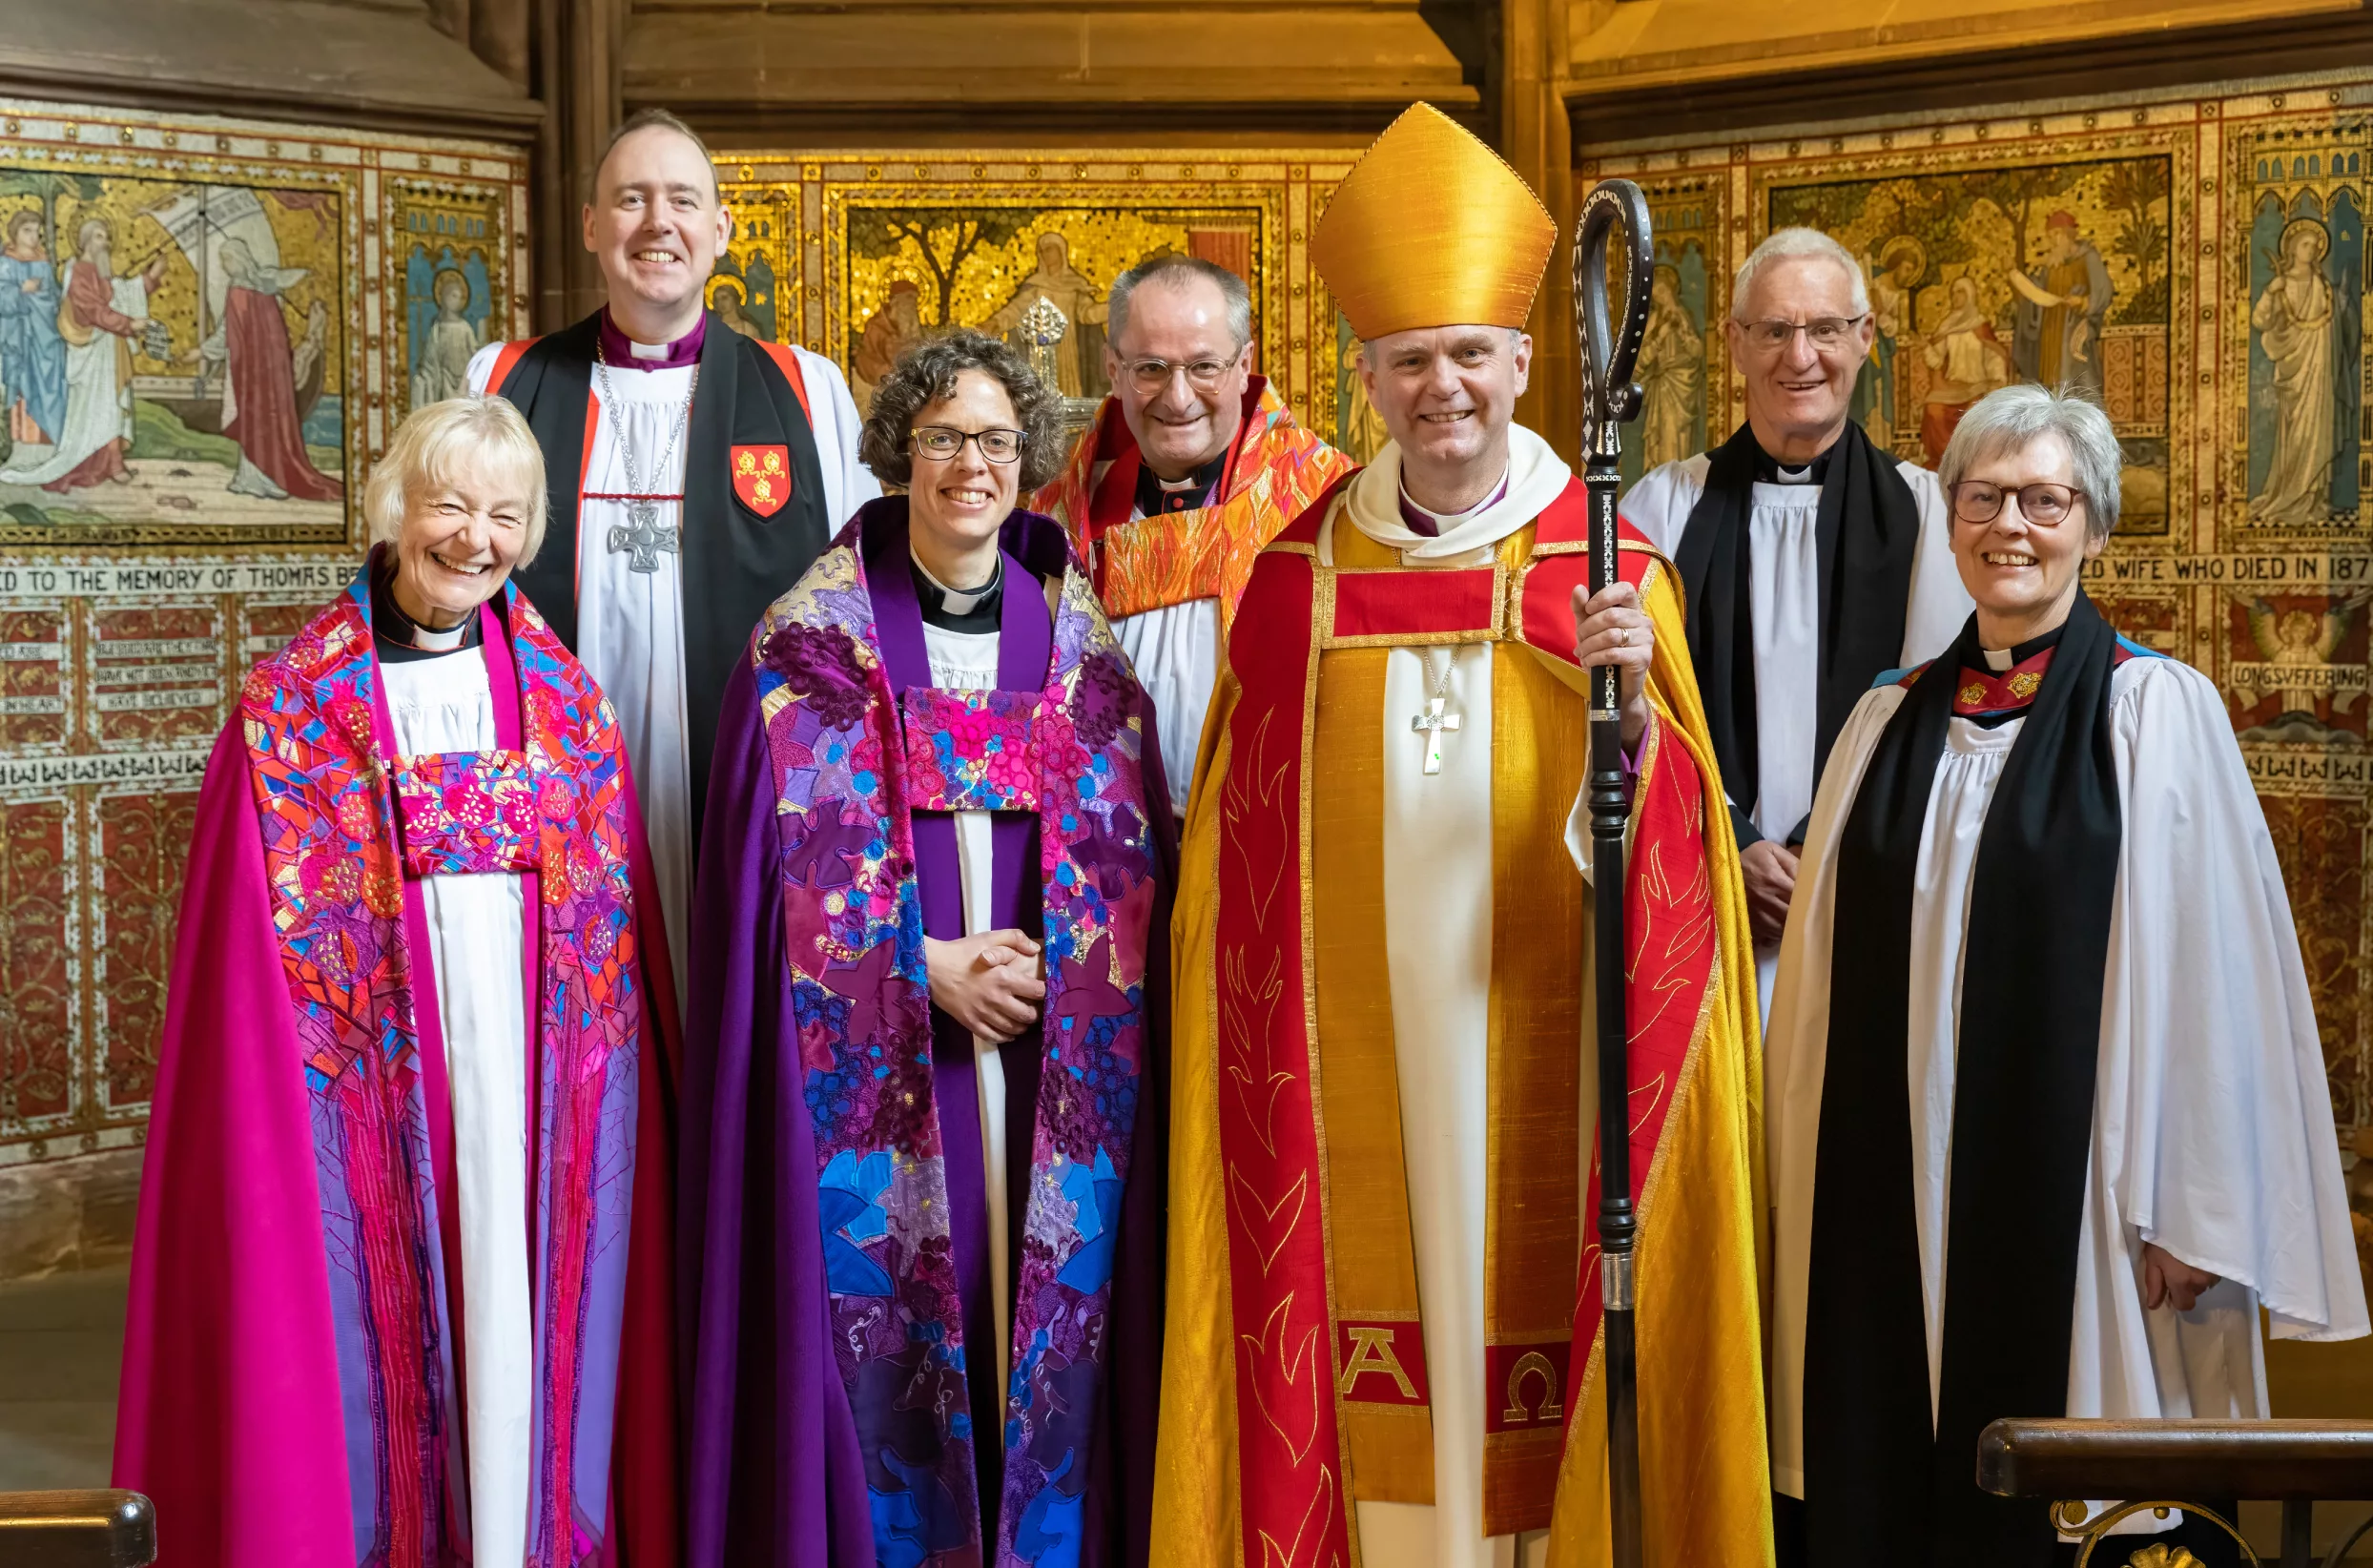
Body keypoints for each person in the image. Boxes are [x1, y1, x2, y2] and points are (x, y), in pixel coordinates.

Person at [1155, 103, 1768, 1568]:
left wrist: (1628, 732)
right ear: (1366, 375)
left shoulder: (1609, 570)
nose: (1445, 388)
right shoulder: (1296, 586)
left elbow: (1683, 888)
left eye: (1471, 356)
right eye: (1411, 359)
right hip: (1351, 1051)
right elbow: (1231, 876)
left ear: (1521, 365)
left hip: (1545, 1042)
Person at [1765, 384, 2368, 1568]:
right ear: (1949, 525)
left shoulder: (2153, 711)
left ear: (2093, 527)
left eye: (2045, 500)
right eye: (1983, 499)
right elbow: (1814, 1008)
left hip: (2090, 1198)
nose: (2011, 527)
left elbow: (2216, 981)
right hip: (1884, 1195)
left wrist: (2197, 1207)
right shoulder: (1883, 725)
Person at [113, 395, 681, 1568]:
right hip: (370, 1089)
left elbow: (607, 933)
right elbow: (241, 970)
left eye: (504, 516)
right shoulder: (295, 711)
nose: (474, 539)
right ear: (394, 510)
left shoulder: (570, 709)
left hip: (528, 1088)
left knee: (524, 1323)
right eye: (450, 506)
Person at [680, 331, 1175, 1568]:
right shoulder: (807, 651)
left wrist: (1057, 974)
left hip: (1048, 1056)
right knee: (912, 1319)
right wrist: (920, 968)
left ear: (1028, 461)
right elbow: (764, 893)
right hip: (901, 1074)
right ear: (901, 450)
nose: (973, 465)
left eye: (998, 441)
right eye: (945, 437)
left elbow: (1129, 873)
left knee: (1037, 1328)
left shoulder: (1079, 649)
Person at [472, 107, 878, 995]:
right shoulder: (506, 382)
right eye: (631, 199)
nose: (659, 223)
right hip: (558, 781)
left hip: (750, 787)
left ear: (721, 230)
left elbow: (865, 613)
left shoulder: (805, 390)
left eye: (683, 200)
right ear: (591, 226)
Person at [1620, 225, 1971, 1021]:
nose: (1800, 356)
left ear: (1865, 339)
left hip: (1866, 905)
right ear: (1736, 344)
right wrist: (1733, 845)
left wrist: (1816, 854)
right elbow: (1646, 715)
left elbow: (1931, 717)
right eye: (1774, 330)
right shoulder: (1664, 508)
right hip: (1704, 904)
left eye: (1824, 329)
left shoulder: (1924, 514)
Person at [1033, 254, 1353, 815]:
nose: (1178, 399)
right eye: (1151, 368)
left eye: (1204, 366)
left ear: (1244, 362)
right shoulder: (1059, 509)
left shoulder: (1325, 500)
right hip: (1103, 842)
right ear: (1113, 368)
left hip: (1264, 830)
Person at [0, 217, 164, 491]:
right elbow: (90, 308)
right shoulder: (78, 271)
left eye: (106, 237)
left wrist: (151, 278)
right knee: (96, 409)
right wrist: (128, 324)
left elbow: (118, 294)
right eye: (99, 236)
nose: (106, 243)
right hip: (86, 352)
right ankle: (88, 464)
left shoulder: (99, 272)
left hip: (105, 349)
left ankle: (113, 463)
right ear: (86, 241)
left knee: (112, 404)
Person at [202, 236, 343, 502]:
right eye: (222, 260)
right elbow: (227, 331)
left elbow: (289, 278)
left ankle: (270, 478)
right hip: (248, 368)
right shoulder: (239, 290)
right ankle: (249, 478)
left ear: (240, 259)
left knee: (269, 419)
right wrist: (204, 350)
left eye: (227, 259)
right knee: (253, 418)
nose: (225, 265)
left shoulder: (261, 286)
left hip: (269, 367)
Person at [2251, 217, 2340, 525]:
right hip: (2293, 371)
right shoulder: (2282, 284)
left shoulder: (2322, 286)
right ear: (2291, 248)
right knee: (2294, 435)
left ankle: (2312, 500)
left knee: (2318, 431)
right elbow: (2261, 321)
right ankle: (2288, 496)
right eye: (2306, 245)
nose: (2312, 250)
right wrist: (2270, 293)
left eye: (2316, 246)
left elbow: (2336, 328)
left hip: (2320, 372)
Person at [2012, 211, 2114, 396]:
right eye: (2050, 237)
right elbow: (2037, 295)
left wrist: (2083, 301)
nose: (2053, 242)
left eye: (2056, 235)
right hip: (2050, 331)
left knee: (2078, 379)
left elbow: (2103, 290)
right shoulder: (2052, 264)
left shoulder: (2088, 258)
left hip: (2073, 328)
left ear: (2068, 234)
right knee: (2050, 379)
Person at [0, 210, 66, 449]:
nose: (33, 237)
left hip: (47, 335)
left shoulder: (43, 262)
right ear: (14, 233)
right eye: (27, 231)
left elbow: (54, 296)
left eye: (37, 232)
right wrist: (21, 291)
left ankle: (49, 441)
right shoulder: (6, 262)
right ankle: (23, 443)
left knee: (52, 383)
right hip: (20, 336)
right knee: (22, 383)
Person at [412, 266, 482, 407]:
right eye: (453, 296)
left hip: (462, 377)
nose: (458, 300)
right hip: (444, 379)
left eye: (460, 296)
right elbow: (431, 357)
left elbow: (474, 352)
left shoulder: (465, 327)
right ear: (443, 297)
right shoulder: (437, 328)